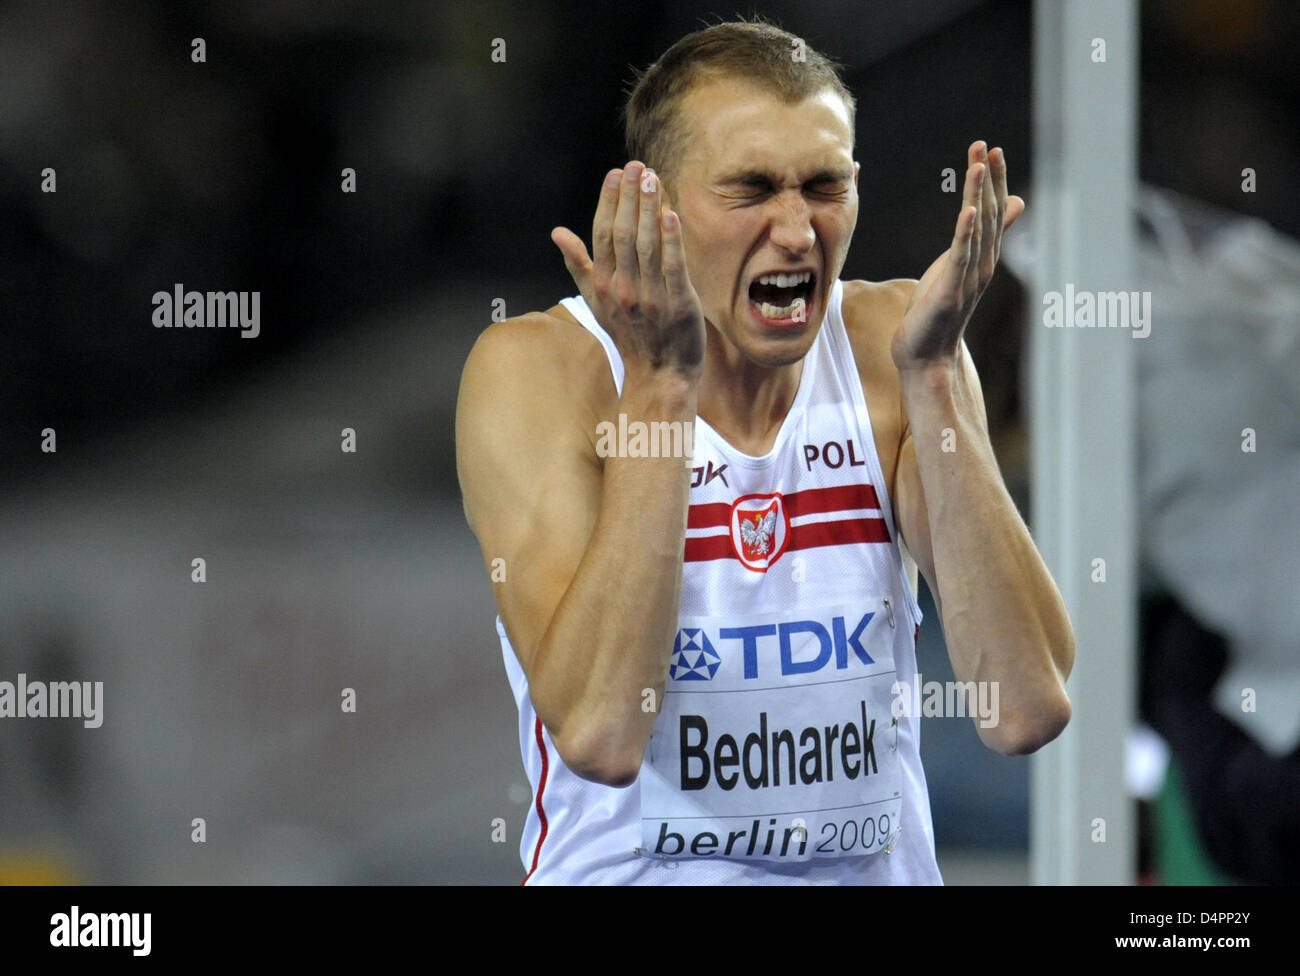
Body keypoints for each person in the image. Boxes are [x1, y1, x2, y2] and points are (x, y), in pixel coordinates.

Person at [455, 19, 1074, 885]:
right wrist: (662, 387)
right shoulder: (540, 372)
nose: (796, 231)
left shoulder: (898, 350)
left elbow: (1024, 708)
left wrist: (934, 380)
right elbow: (601, 732)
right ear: (653, 207)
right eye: (750, 190)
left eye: (824, 186)